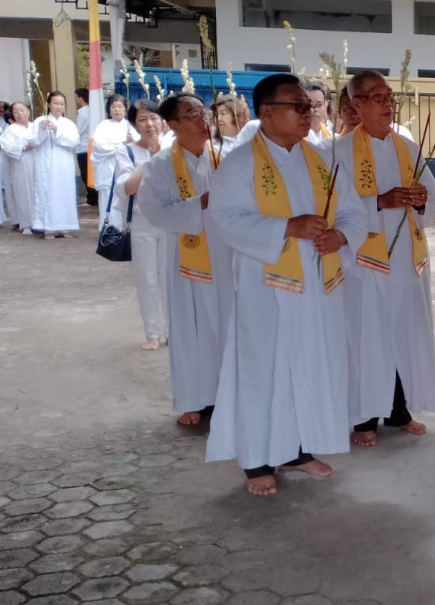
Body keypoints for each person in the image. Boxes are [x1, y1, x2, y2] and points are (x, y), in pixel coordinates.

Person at [206, 73, 368, 497]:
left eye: (309, 106)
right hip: (267, 289)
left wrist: (341, 236)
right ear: (266, 113)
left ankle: (296, 450)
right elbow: (223, 220)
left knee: (309, 365)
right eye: (297, 106)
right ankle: (256, 460)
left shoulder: (321, 160)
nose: (307, 113)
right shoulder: (240, 164)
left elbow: (353, 212)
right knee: (264, 370)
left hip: (318, 288)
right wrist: (287, 227)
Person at [337, 70, 435, 446]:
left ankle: (400, 411)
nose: (388, 104)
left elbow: (432, 193)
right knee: (368, 337)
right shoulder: (339, 152)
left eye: (390, 96)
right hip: (365, 264)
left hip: (407, 261)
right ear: (357, 105)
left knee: (403, 335)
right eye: (378, 97)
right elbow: (333, 208)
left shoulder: (408, 147)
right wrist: (380, 201)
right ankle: (364, 417)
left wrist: (421, 200)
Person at [137, 94, 224, 424]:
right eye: (192, 115)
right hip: (185, 260)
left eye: (204, 113)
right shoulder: (160, 165)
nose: (204, 121)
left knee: (225, 325)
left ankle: (226, 395)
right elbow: (154, 211)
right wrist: (199, 204)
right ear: (173, 124)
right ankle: (194, 399)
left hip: (225, 256)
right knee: (190, 328)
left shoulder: (223, 158)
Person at [100, 100, 167, 350]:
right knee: (147, 279)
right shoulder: (126, 151)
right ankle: (153, 333)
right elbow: (127, 188)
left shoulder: (173, 147)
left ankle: (173, 330)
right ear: (134, 124)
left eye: (154, 118)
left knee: (170, 279)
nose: (150, 124)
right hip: (142, 222)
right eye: (142, 119)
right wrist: (151, 160)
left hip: (171, 222)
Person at [29, 92, 81, 238]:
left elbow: (74, 142)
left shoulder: (68, 124)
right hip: (45, 164)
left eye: (61, 104)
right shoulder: (39, 121)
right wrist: (42, 130)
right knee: (47, 193)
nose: (59, 106)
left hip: (64, 164)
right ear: (49, 104)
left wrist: (57, 130)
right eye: (55, 103)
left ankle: (64, 226)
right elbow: (33, 141)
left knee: (65, 192)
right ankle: (49, 228)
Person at [90, 94, 138, 229]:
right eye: (113, 106)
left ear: (125, 109)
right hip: (108, 168)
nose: (117, 109)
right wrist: (120, 144)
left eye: (120, 106)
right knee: (108, 200)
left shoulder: (131, 126)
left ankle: (124, 231)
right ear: (109, 109)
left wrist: (132, 142)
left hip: (125, 168)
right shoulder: (103, 126)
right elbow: (99, 146)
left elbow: (139, 146)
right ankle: (108, 231)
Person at [0, 102, 35, 232]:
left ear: (28, 111)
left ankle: (40, 222)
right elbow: (5, 146)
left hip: (37, 164)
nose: (20, 113)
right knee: (22, 193)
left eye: (22, 110)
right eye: (16, 111)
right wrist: (23, 147)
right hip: (20, 165)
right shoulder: (10, 130)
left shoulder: (35, 127)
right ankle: (26, 224)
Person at [74, 88, 96, 207]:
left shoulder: (83, 113)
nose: (75, 100)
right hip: (88, 147)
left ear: (81, 98)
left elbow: (78, 131)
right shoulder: (91, 111)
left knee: (86, 174)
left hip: (84, 147)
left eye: (76, 97)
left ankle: (91, 199)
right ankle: (93, 197)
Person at [305, 81, 334, 148]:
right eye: (310, 105)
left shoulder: (334, 139)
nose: (314, 110)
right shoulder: (293, 139)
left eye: (319, 105)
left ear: (325, 105)